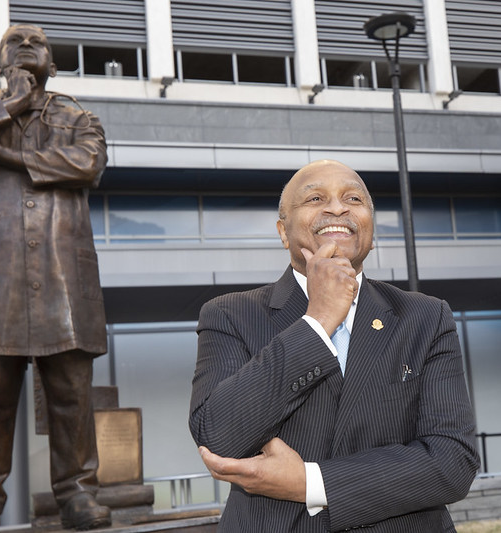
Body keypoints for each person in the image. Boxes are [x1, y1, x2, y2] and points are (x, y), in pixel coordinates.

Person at [189, 160, 480, 532]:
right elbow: (218, 437)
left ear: (371, 233)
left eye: (353, 198)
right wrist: (318, 321)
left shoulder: (426, 317)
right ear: (283, 231)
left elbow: (453, 462)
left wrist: (311, 483)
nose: (337, 208)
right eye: (315, 198)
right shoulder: (229, 315)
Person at [0, 24, 110, 533]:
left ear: (52, 64)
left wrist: (10, 157)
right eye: (16, 41)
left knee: (72, 393)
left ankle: (78, 494)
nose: (28, 46)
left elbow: (88, 162)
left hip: (63, 276)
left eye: (38, 42)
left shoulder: (78, 115)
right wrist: (10, 103)